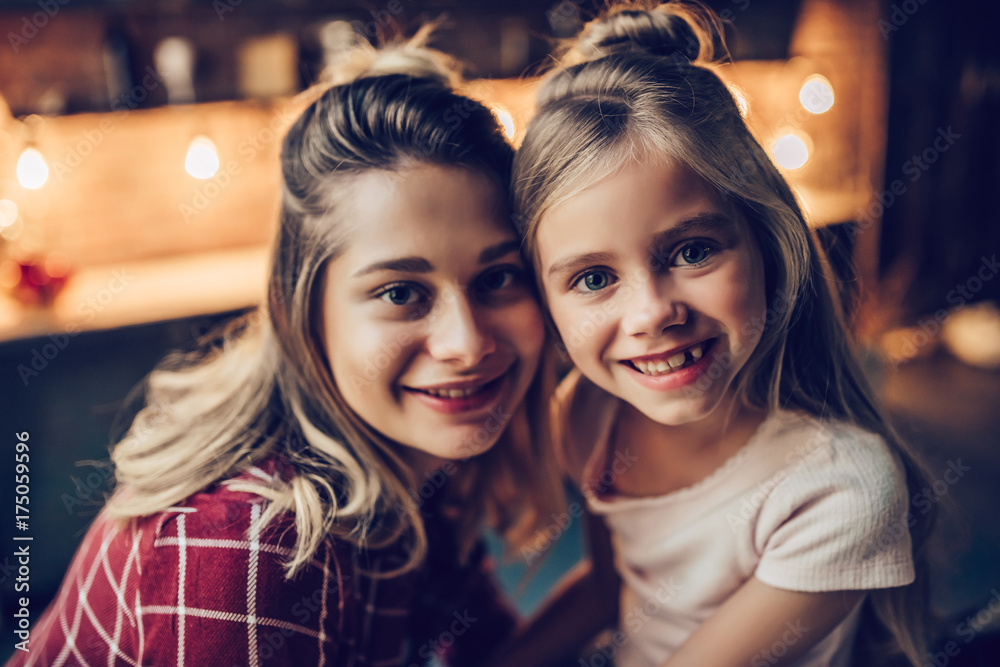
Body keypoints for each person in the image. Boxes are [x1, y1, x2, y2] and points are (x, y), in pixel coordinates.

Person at [8, 32, 563, 667]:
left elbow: (489, 652)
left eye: (497, 277)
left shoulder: (413, 453)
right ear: (301, 309)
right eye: (402, 292)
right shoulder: (247, 547)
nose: (466, 344)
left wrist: (611, 581)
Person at [497, 2, 935, 666]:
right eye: (592, 278)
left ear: (767, 242)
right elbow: (616, 591)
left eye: (693, 251)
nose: (651, 313)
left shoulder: (840, 486)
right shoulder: (589, 416)